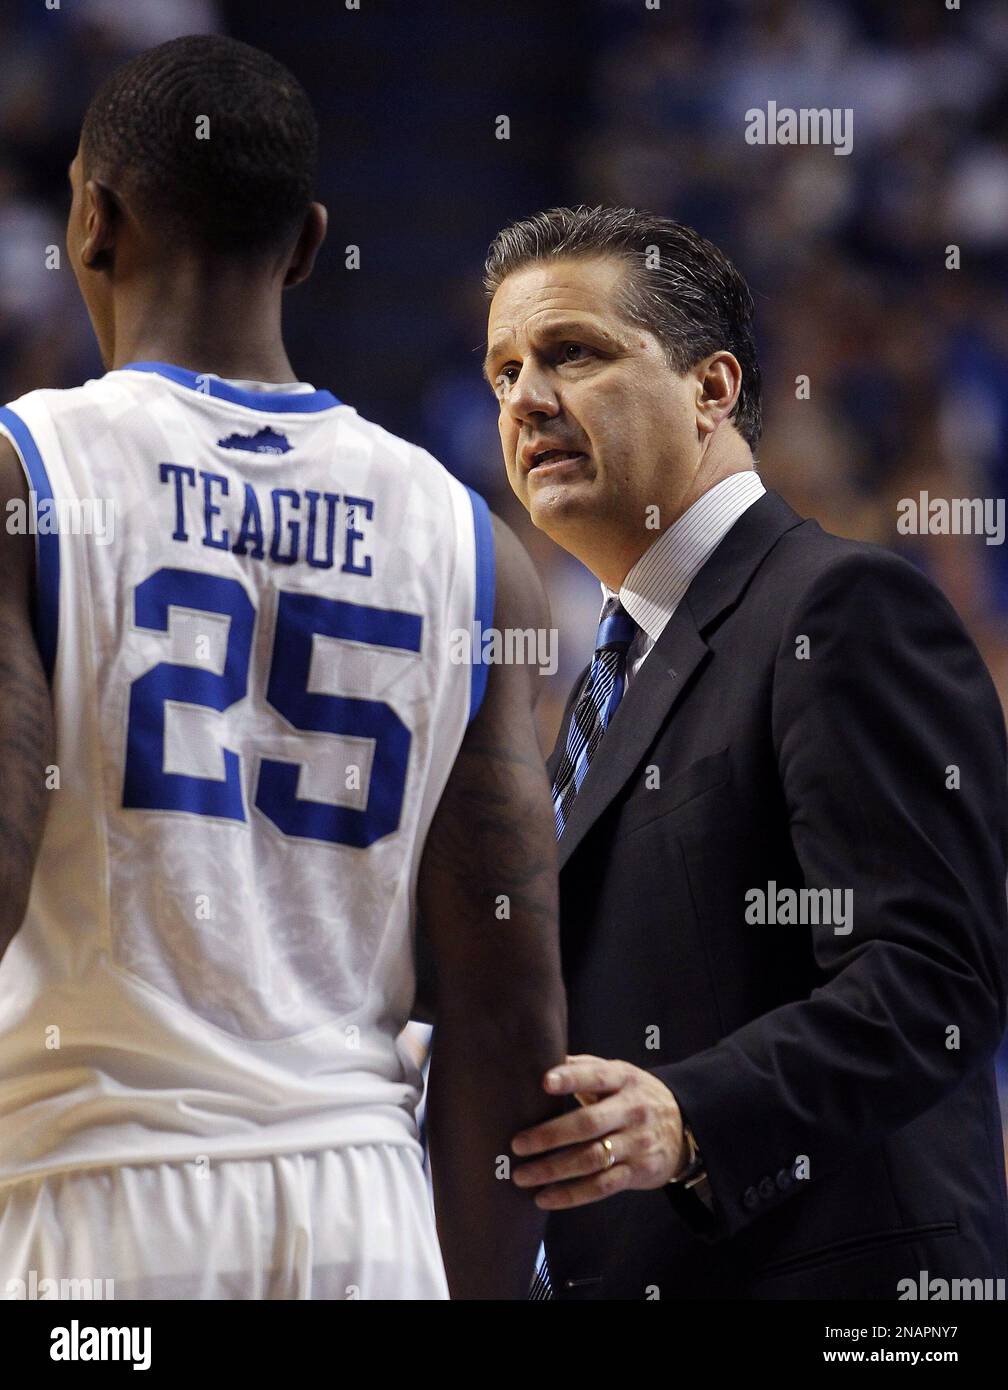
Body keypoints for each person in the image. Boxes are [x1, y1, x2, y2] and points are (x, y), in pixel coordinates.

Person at [0, 35, 565, 1302]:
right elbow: (510, 1018)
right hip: (364, 1211)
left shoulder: (27, 478)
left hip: (91, 1208)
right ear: (307, 246)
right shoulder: (473, 546)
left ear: (92, 221)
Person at [483, 204, 1008, 1299]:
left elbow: (935, 981)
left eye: (572, 352)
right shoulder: (610, 678)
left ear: (711, 390)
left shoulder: (841, 608)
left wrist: (689, 1117)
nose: (526, 398)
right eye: (503, 371)